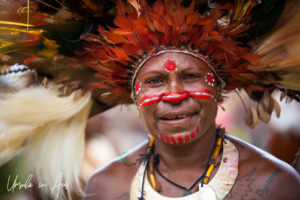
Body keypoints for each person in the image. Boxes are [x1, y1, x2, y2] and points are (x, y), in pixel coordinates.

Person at [1, 0, 300, 199]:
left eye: (191, 76)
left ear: (219, 88)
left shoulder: (274, 184)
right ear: (133, 96)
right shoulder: (106, 186)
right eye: (155, 81)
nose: (174, 95)